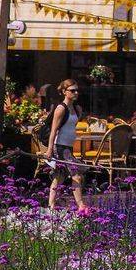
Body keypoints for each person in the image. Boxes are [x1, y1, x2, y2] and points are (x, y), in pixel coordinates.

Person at [46, 79, 88, 213]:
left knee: (59, 177)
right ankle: (81, 206)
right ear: (64, 92)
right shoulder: (60, 109)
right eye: (72, 90)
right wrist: (49, 150)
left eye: (77, 90)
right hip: (60, 147)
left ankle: (51, 206)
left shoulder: (77, 109)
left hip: (68, 147)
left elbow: (71, 127)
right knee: (76, 175)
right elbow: (53, 130)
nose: (76, 93)